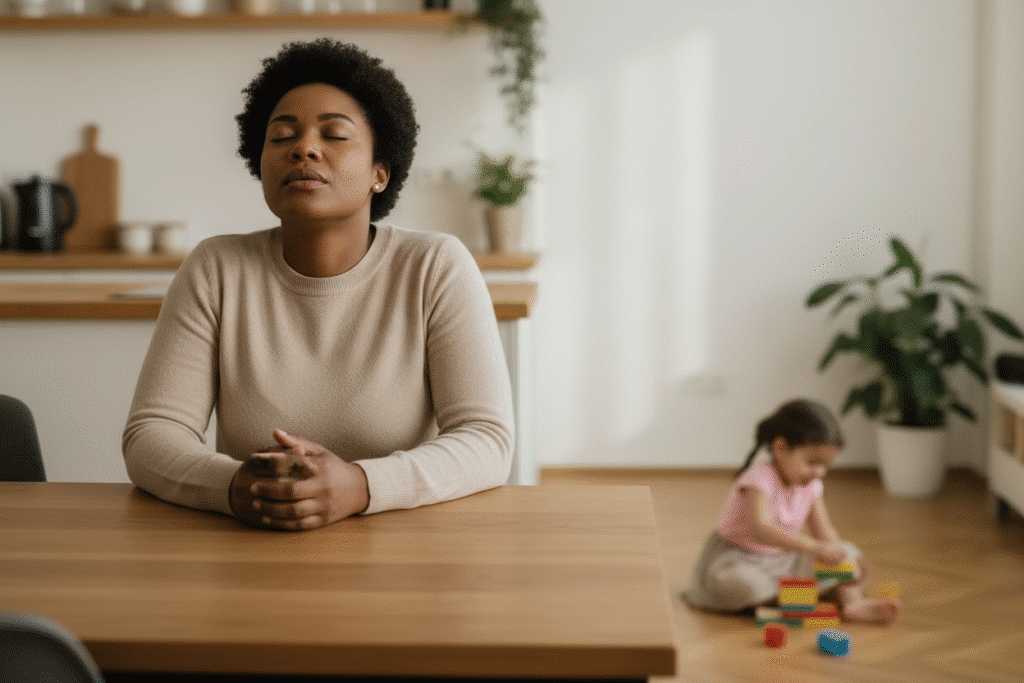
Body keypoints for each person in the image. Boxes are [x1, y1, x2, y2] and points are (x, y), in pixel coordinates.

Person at [123, 38, 514, 531]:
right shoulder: (216, 268)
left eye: (335, 134)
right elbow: (151, 434)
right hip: (252, 544)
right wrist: (232, 486)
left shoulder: (434, 266)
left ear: (379, 173)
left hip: (402, 546)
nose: (303, 148)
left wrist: (360, 485)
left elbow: (486, 440)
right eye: (281, 136)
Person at [683, 399, 899, 625]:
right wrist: (813, 547)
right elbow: (761, 530)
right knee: (745, 585)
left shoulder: (812, 486)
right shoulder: (759, 479)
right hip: (738, 560)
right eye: (812, 462)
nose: (820, 472)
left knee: (848, 551)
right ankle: (801, 597)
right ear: (781, 449)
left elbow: (824, 531)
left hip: (784, 559)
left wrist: (841, 560)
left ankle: (852, 602)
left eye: (826, 465)